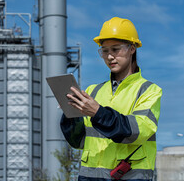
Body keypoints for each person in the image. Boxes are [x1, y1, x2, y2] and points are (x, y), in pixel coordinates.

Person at [60, 17, 162, 181]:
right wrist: (70, 114)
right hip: (89, 177)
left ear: (132, 48)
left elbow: (136, 132)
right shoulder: (93, 91)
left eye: (115, 49)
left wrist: (98, 113)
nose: (109, 56)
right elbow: (78, 142)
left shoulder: (149, 90)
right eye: (105, 51)